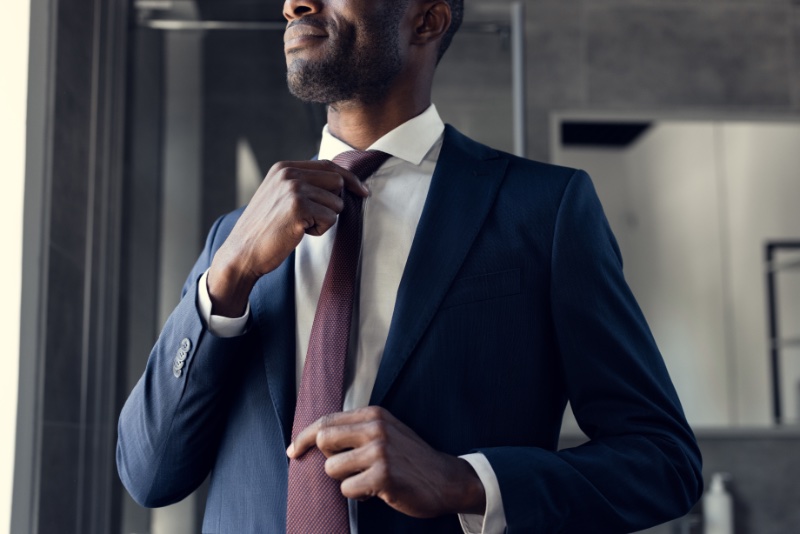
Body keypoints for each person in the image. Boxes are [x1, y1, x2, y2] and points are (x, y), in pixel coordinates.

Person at [117, 0, 703, 532]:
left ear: (427, 19)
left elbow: (662, 460)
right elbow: (149, 475)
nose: (293, 3)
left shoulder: (544, 211)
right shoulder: (235, 236)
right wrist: (229, 276)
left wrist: (462, 481)